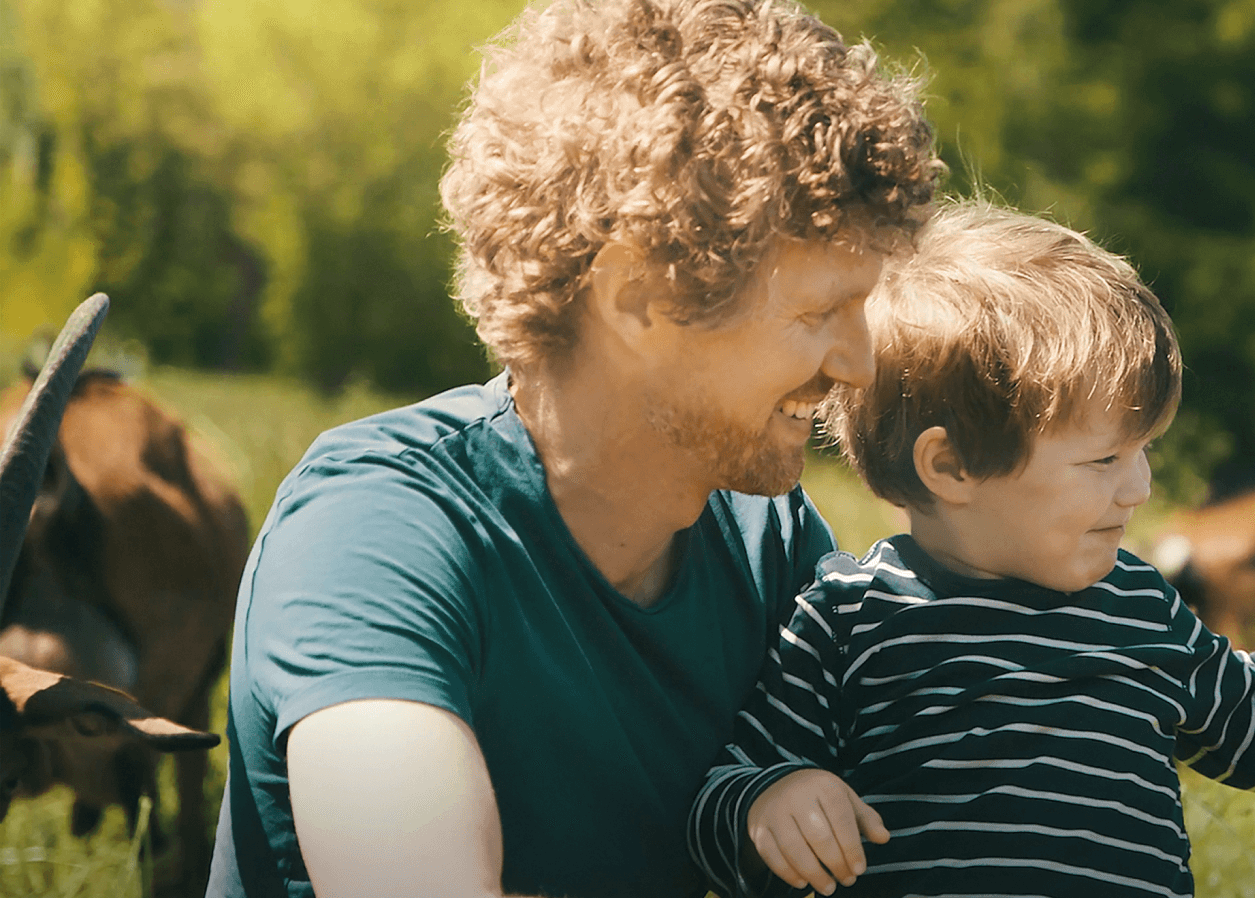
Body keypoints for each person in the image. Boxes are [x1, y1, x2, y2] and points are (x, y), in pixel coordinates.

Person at [209, 1, 942, 895]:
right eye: (818, 313)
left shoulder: (772, 542)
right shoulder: (373, 534)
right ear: (636, 297)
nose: (860, 365)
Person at [686, 201, 1255, 897]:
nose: (1139, 487)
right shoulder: (850, 618)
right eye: (1104, 460)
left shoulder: (1141, 607)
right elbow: (725, 794)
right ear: (951, 467)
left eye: (1145, 452)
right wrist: (767, 798)